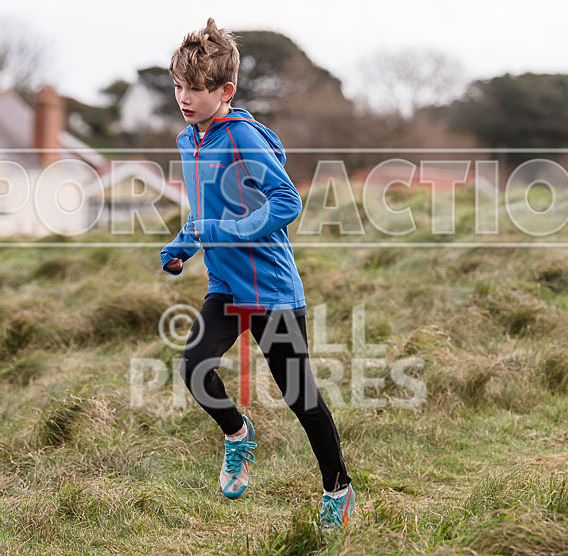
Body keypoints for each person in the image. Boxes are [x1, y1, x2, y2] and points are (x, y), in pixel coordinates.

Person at [159, 17, 355, 531]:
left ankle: (338, 488)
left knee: (300, 397)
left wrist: (226, 231)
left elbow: (287, 201)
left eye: (196, 89)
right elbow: (206, 211)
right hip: (225, 287)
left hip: (271, 290)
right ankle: (238, 433)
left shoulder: (243, 137)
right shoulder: (188, 140)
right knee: (194, 367)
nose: (184, 98)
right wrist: (183, 246)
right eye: (178, 86)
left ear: (225, 91)